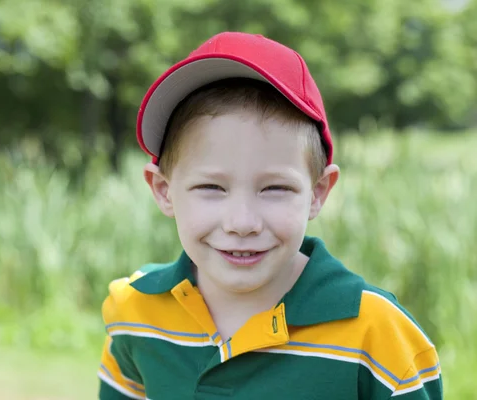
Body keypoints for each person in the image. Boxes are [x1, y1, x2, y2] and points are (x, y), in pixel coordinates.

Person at [97, 32, 443, 399]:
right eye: (211, 188)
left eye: (275, 189)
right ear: (163, 190)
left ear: (318, 192)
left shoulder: (378, 335)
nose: (242, 223)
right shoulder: (134, 312)